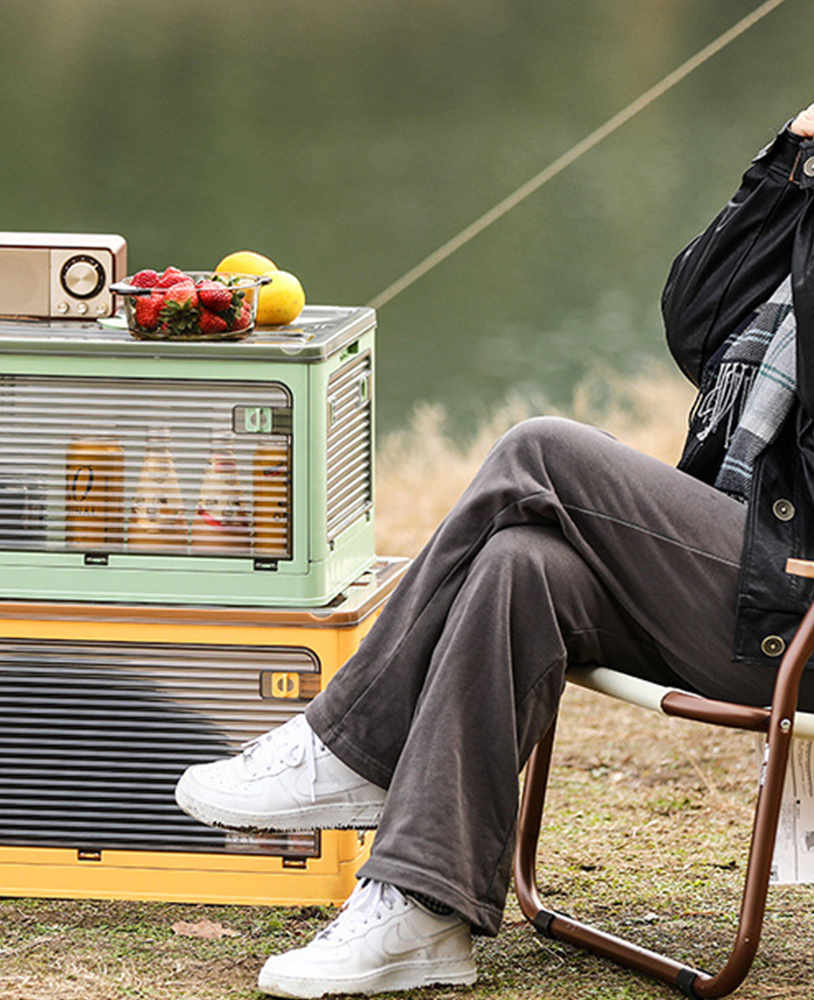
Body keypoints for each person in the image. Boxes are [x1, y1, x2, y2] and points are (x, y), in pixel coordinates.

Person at [175, 103, 814, 999]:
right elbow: (696, 317)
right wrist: (792, 161)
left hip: (795, 617)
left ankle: (352, 747)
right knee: (521, 561)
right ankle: (422, 908)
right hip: (738, 585)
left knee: (539, 450)